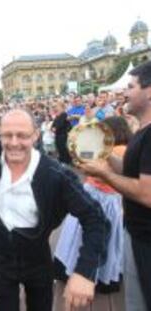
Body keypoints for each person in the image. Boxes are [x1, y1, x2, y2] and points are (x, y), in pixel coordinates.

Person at [0, 109, 110, 311]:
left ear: (36, 135)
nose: (13, 143)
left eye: (22, 135)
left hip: (37, 260)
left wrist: (85, 271)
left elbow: (95, 218)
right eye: (7, 135)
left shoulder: (56, 175)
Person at [80, 61, 151, 311]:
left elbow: (146, 193)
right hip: (138, 232)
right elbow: (132, 173)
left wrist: (103, 173)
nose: (124, 92)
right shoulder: (143, 131)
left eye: (130, 86)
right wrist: (107, 153)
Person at [55, 116, 132, 294]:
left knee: (83, 236)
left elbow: (88, 167)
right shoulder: (125, 149)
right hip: (111, 198)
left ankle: (79, 271)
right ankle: (102, 276)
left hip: (98, 194)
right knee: (108, 239)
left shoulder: (114, 150)